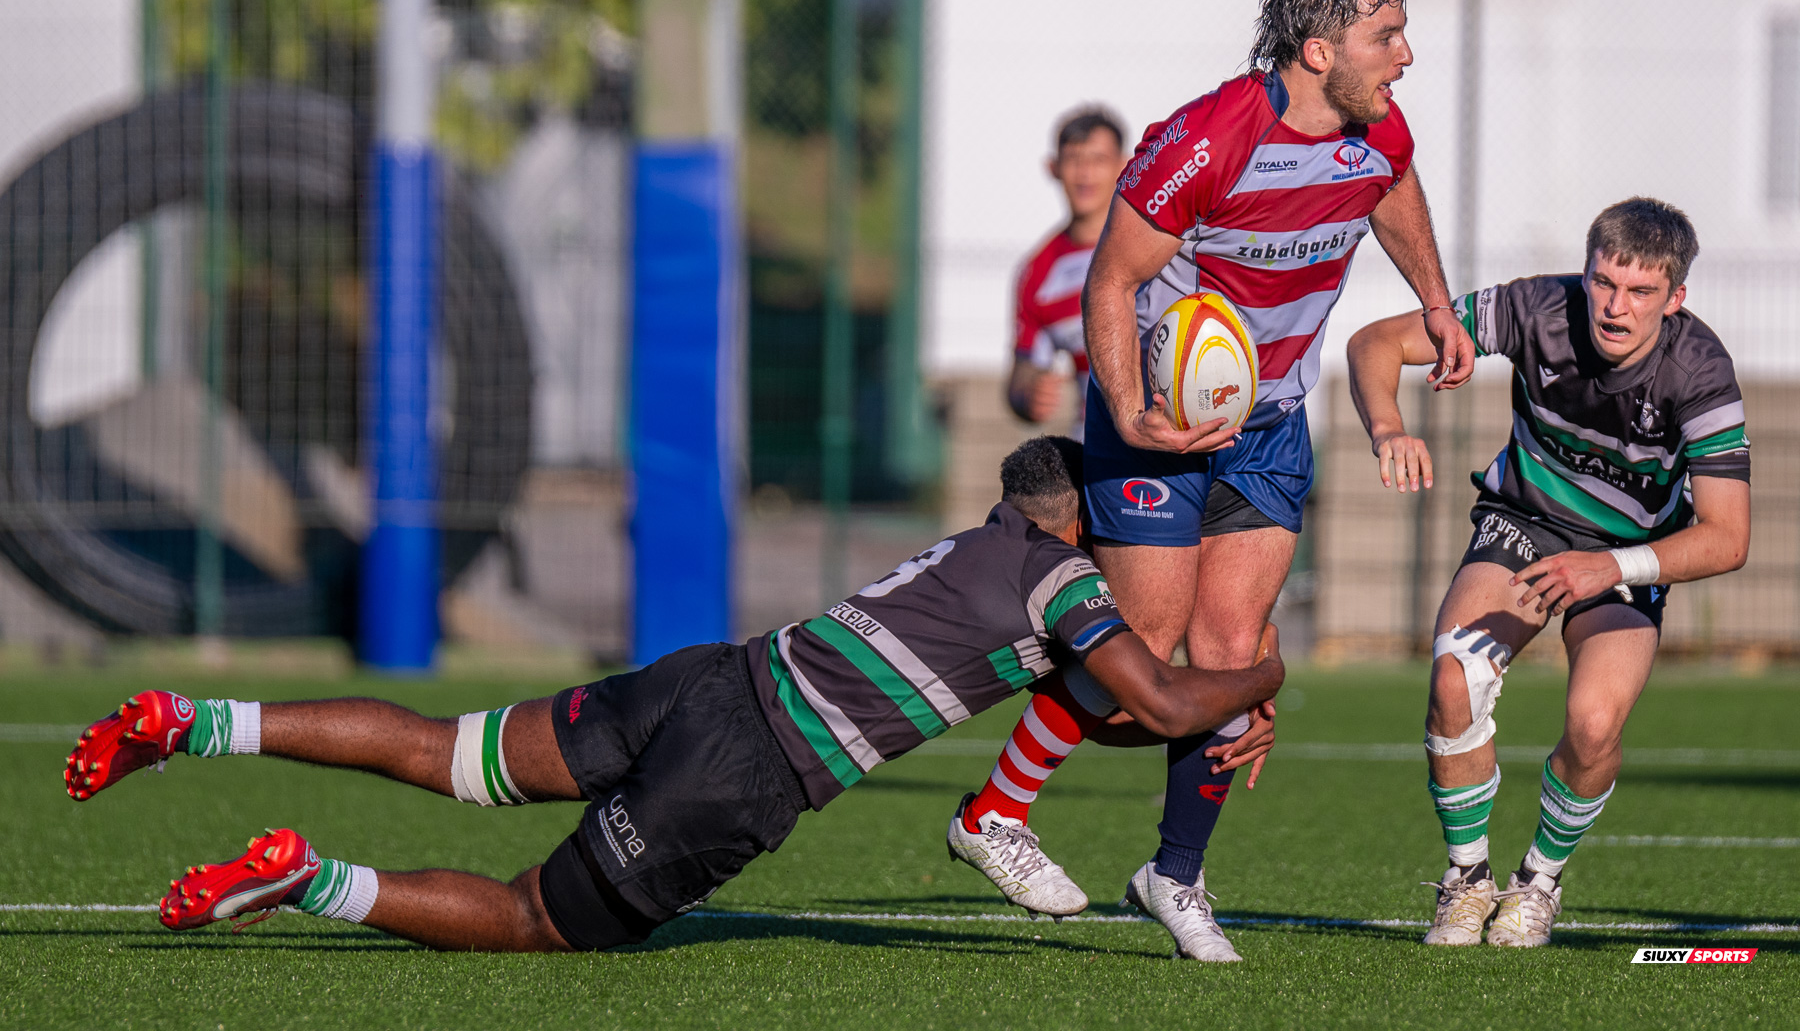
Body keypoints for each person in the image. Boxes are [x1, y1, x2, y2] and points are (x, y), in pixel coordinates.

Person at [63, 437, 1284, 953]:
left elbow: (1109, 705)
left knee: (450, 751)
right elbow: (1168, 708)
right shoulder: (1061, 582)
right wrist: (1265, 665)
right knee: (537, 917)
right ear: (1081, 516)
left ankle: (197, 723)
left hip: (709, 678)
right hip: (744, 774)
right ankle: (311, 879)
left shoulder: (979, 543)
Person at [947, 0, 1476, 962]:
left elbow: (1394, 188)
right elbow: (1110, 280)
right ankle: (994, 813)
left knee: (1234, 658)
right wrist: (1131, 409)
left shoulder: (1376, 128)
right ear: (1318, 51)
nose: (1405, 56)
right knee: (1139, 644)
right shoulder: (1207, 140)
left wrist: (1437, 303)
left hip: (1271, 423)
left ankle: (1175, 876)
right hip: (1161, 422)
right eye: (1388, 36)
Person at [1345, 197, 1751, 948]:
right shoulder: (1537, 307)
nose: (1615, 307)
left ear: (1676, 298)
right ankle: (1466, 883)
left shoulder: (1700, 369)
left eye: (1640, 292)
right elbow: (1374, 343)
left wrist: (1609, 567)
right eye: (1604, 282)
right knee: (1452, 679)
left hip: (1627, 555)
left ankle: (1537, 884)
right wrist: (1388, 428)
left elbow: (1729, 537)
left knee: (1594, 726)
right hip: (1523, 525)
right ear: (1587, 270)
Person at [1009, 107, 1129, 440]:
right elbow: (1022, 375)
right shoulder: (1038, 273)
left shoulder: (1162, 239)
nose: (1085, 173)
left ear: (1123, 165)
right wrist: (1028, 396)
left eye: (1098, 160)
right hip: (1096, 448)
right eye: (1075, 159)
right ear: (1054, 168)